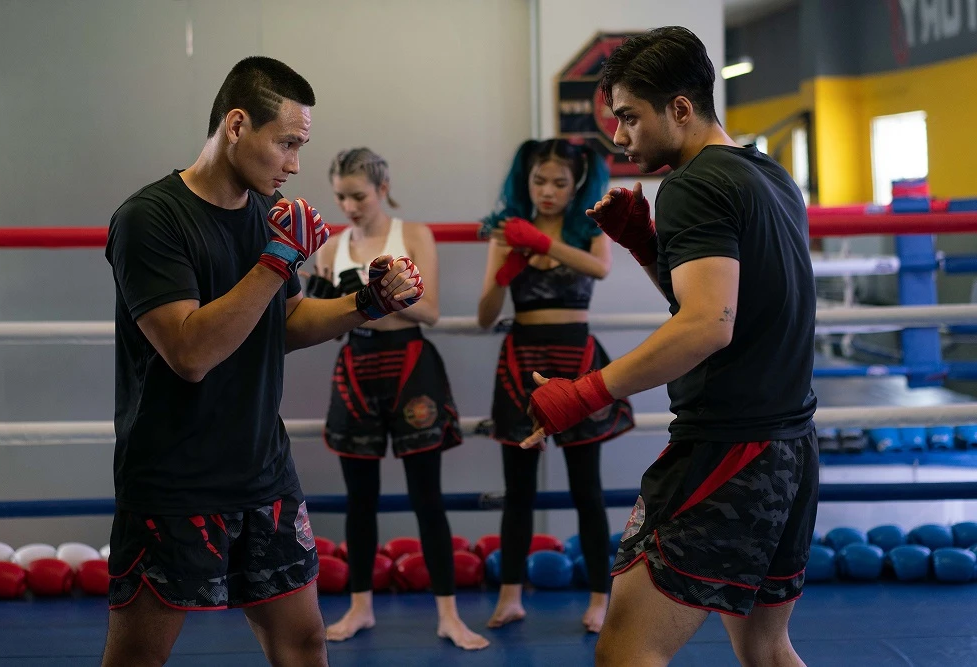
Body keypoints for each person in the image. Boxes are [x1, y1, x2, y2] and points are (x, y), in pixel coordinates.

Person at [102, 57, 425, 667]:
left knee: (304, 643)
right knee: (138, 658)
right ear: (236, 125)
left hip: (263, 472)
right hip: (175, 480)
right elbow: (190, 353)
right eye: (286, 143)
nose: (295, 164)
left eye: (301, 146)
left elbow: (286, 320)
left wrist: (367, 302)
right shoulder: (150, 218)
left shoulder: (262, 213)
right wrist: (276, 260)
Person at [518, 27, 818, 667]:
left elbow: (707, 325)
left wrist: (584, 393)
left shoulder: (692, 184)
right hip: (790, 446)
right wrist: (648, 247)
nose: (619, 136)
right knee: (767, 650)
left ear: (680, 108)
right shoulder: (770, 175)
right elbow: (725, 305)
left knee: (627, 651)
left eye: (629, 117)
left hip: (726, 450)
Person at [305, 147, 488, 651]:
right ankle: (360, 608)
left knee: (427, 497)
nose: (349, 206)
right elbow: (322, 325)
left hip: (410, 365)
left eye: (358, 196)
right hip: (357, 366)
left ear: (382, 189)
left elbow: (429, 311)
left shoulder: (413, 236)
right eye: (341, 196)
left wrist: (377, 296)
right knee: (359, 500)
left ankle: (449, 616)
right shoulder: (331, 249)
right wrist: (326, 296)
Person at [476, 138, 635, 633]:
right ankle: (510, 595)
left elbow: (601, 268)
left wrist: (542, 244)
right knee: (518, 489)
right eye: (539, 181)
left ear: (576, 185)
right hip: (521, 358)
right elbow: (485, 316)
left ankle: (599, 600)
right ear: (525, 181)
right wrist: (505, 271)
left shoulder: (590, 227)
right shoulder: (507, 232)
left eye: (559, 183)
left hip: (576, 357)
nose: (547, 191)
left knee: (587, 488)